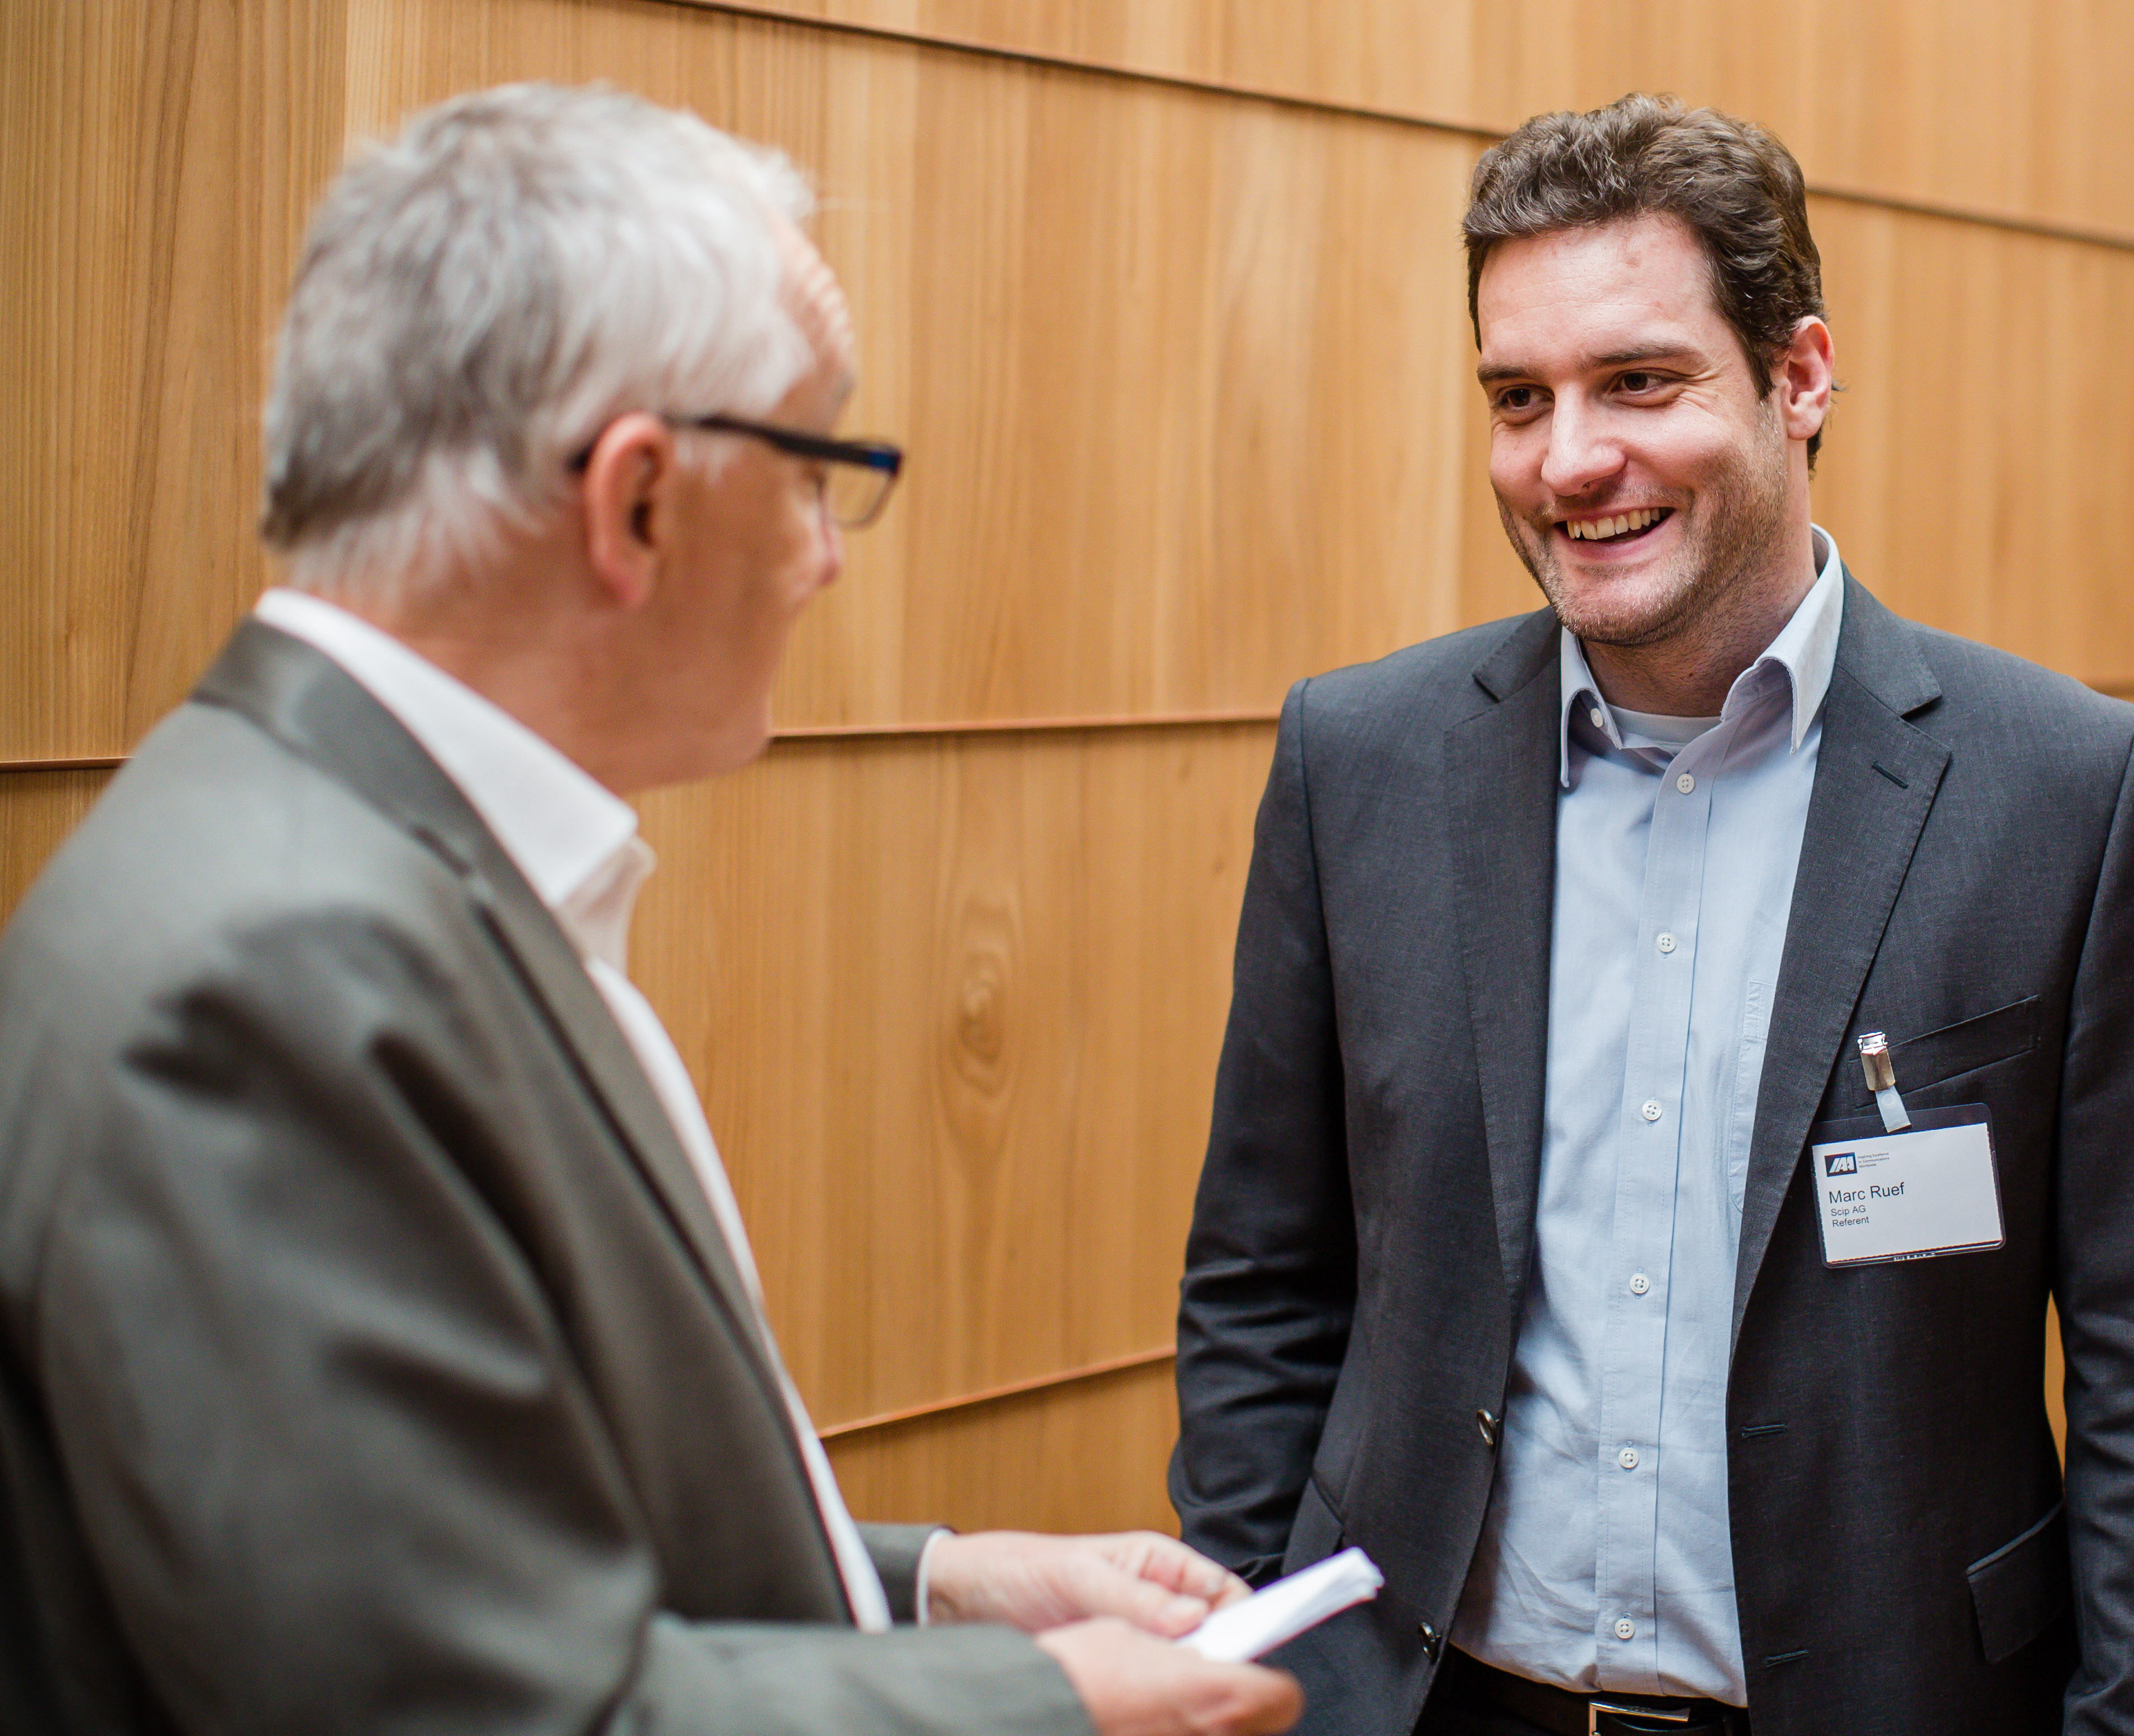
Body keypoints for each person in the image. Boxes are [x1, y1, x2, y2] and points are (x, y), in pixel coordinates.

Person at [0, 83, 1300, 1736]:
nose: (829, 558)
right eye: (819, 467)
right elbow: (455, 1712)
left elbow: (460, 1553)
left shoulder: (343, 858)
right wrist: (1045, 1708)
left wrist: (930, 1585)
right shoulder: (275, 980)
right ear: (636, 502)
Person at [1169, 95, 2134, 1736]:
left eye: (1640, 382)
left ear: (1799, 378)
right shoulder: (1359, 762)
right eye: (1519, 398)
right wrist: (1244, 1676)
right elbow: (1264, 1285)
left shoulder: (2060, 794)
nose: (1568, 461)